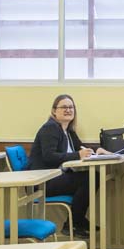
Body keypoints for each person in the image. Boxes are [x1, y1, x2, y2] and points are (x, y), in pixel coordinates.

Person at [28, 94, 110, 235]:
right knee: (89, 178)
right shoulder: (50, 128)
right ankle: (75, 222)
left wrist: (98, 150)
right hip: (43, 180)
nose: (68, 110)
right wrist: (78, 155)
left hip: (57, 177)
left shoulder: (68, 130)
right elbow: (49, 157)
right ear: (54, 111)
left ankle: (75, 221)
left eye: (71, 107)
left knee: (92, 177)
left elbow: (81, 148)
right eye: (64, 107)